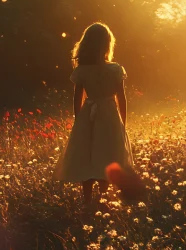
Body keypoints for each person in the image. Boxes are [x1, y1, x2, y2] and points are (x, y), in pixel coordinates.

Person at [53, 22, 133, 205]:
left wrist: (79, 121)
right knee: (107, 153)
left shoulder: (82, 71)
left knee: (87, 154)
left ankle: (88, 200)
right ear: (107, 44)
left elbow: (77, 99)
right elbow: (122, 98)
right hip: (110, 116)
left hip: (89, 115)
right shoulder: (114, 69)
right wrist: (123, 122)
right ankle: (103, 196)